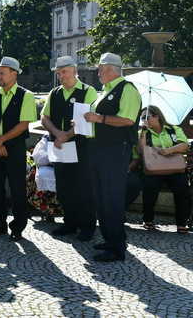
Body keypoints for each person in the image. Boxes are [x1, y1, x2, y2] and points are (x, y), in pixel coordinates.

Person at [84, 52, 142, 262]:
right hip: (99, 149)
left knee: (112, 198)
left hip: (115, 150)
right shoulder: (105, 91)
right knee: (101, 197)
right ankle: (110, 239)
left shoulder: (127, 89)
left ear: (111, 69)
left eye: (100, 69)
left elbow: (127, 120)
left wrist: (98, 118)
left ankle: (117, 248)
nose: (98, 72)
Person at [0, 56, 37, 241]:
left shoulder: (25, 95)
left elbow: (23, 124)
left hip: (15, 148)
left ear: (14, 74)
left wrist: (0, 141)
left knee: (17, 189)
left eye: (2, 72)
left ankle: (18, 227)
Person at [41, 56, 98, 241]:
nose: (60, 75)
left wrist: (66, 135)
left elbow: (85, 120)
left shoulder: (87, 91)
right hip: (58, 145)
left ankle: (87, 226)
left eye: (64, 71)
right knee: (64, 186)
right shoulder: (55, 92)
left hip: (81, 146)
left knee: (84, 187)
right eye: (58, 72)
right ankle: (70, 223)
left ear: (74, 71)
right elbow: (44, 117)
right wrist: (58, 134)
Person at [137, 105, 190, 234]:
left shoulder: (173, 129)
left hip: (175, 168)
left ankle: (182, 223)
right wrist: (143, 132)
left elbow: (184, 145)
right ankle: (148, 219)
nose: (144, 120)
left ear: (157, 116)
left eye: (146, 117)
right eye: (142, 118)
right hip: (153, 169)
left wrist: (168, 150)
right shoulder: (143, 132)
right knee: (150, 186)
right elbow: (140, 151)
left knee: (182, 187)